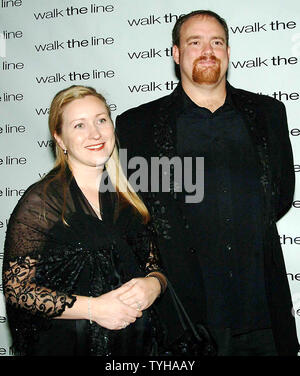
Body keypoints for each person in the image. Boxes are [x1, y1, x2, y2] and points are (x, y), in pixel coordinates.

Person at [116, 10, 299, 356]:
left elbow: (281, 195)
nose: (207, 51)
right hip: (184, 318)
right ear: (176, 53)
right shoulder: (136, 126)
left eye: (217, 42)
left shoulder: (268, 113)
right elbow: (138, 214)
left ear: (228, 52)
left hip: (262, 314)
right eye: (194, 42)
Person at [2, 85, 167, 356]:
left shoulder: (129, 195)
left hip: (137, 345)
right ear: (60, 139)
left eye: (101, 120)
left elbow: (154, 264)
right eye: (79, 125)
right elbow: (17, 289)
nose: (95, 133)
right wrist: (94, 308)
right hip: (69, 346)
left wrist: (154, 285)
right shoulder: (42, 201)